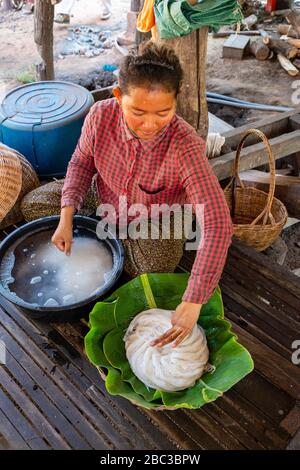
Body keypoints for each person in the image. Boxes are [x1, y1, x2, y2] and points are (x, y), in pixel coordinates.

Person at [52, 41, 233, 348]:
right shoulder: (99, 116)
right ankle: (101, 236)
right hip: (104, 199)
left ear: (176, 101)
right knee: (38, 205)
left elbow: (217, 223)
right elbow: (81, 163)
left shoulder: (184, 143)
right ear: (118, 97)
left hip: (157, 219)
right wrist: (66, 215)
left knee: (153, 266)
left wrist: (194, 300)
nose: (150, 124)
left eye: (163, 112)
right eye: (137, 111)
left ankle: (108, 241)